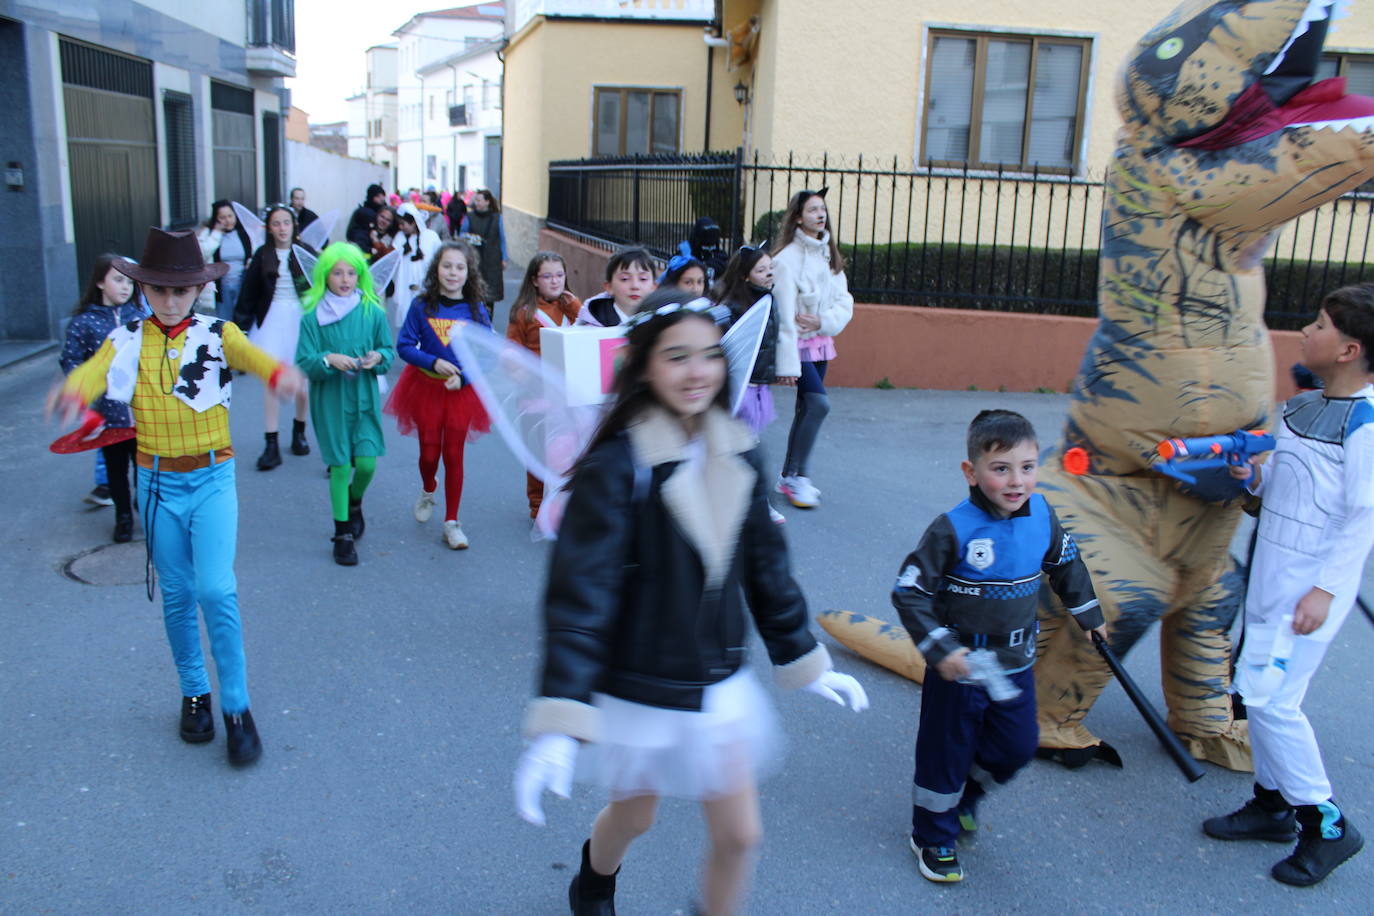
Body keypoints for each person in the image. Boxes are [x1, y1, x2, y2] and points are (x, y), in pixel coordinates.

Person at [513, 286, 868, 916]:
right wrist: (562, 717)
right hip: (641, 683)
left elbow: (766, 568)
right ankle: (594, 881)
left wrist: (805, 658)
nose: (696, 371)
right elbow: (579, 598)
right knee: (636, 813)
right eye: (676, 356)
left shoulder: (738, 446)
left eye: (708, 355)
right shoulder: (619, 465)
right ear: (646, 364)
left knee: (741, 834)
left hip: (717, 682)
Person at [51, 227, 306, 766]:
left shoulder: (219, 333)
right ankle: (195, 694)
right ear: (144, 289)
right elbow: (92, 374)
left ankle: (236, 707)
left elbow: (257, 358)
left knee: (215, 589)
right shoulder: (125, 340)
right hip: (156, 483)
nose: (170, 301)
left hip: (212, 479)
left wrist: (282, 374)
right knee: (176, 593)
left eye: (181, 291)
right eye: (160, 290)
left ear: (197, 291)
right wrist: (70, 392)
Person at [1201, 285, 1374, 887]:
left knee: (1273, 702)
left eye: (1320, 325)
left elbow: (1363, 515)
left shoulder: (1367, 423)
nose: (1306, 330)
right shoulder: (1302, 408)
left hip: (1307, 597)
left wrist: (1325, 590)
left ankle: (1326, 823)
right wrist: (1252, 481)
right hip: (1273, 585)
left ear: (1350, 349)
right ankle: (1273, 805)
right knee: (1257, 693)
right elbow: (1284, 485)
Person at [892, 409, 1105, 883]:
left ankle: (967, 798)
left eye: (1027, 467)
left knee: (1017, 745)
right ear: (972, 472)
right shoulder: (953, 528)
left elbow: (1067, 565)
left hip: (1013, 664)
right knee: (944, 753)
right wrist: (940, 649)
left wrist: (1089, 616)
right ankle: (932, 836)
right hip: (961, 667)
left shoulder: (1042, 515)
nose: (1016, 481)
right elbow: (909, 591)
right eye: (1001, 468)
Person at [385, 241, 493, 550]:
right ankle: (428, 488)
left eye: (460, 267)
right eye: (447, 266)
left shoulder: (475, 309)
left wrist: (465, 378)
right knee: (429, 454)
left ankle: (452, 522)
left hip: (460, 392)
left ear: (469, 272)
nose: (453, 272)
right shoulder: (422, 306)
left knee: (454, 456)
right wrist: (432, 361)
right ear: (437, 269)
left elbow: (488, 354)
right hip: (426, 388)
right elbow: (404, 346)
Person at [294, 243, 394, 566]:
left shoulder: (372, 310)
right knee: (340, 465)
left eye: (352, 273)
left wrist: (378, 357)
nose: (345, 279)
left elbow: (388, 351)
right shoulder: (312, 316)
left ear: (360, 276)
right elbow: (304, 360)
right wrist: (327, 358)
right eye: (337, 273)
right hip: (331, 400)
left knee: (366, 464)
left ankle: (355, 501)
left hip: (364, 398)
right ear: (325, 275)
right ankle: (342, 534)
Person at [770, 188, 853, 510]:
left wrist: (822, 320)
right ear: (797, 217)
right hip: (797, 348)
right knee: (819, 405)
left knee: (806, 408)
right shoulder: (785, 260)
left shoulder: (827, 253)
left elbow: (844, 301)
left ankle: (790, 476)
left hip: (819, 343)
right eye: (813, 209)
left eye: (823, 209)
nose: (821, 214)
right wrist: (787, 365)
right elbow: (784, 318)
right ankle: (798, 477)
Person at [58, 253, 147, 540]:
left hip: (146, 412)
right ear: (100, 282)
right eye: (118, 280)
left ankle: (141, 505)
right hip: (110, 415)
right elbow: (71, 362)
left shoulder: (142, 318)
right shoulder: (83, 323)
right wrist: (85, 398)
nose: (125, 287)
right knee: (116, 468)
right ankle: (123, 516)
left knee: (144, 467)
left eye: (130, 282)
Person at [505, 251, 583, 519]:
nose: (554, 281)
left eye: (559, 275)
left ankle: (567, 501)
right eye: (547, 276)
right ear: (535, 280)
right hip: (536, 393)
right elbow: (512, 351)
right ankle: (538, 506)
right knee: (537, 448)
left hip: (569, 393)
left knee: (571, 448)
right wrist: (522, 374)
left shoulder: (572, 308)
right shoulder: (524, 313)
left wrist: (574, 306)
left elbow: (590, 327)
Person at [236, 204, 314, 469]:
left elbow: (323, 287)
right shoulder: (261, 255)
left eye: (286, 223)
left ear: (294, 226)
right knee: (273, 380)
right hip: (271, 322)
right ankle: (271, 443)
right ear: (269, 228)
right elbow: (248, 293)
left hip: (301, 322)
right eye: (276, 223)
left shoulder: (306, 254)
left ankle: (299, 432)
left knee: (303, 382)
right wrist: (240, 329)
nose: (282, 228)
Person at [713, 245, 787, 524]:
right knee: (744, 447)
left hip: (758, 387)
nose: (768, 273)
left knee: (743, 446)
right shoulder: (734, 306)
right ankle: (757, 504)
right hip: (740, 387)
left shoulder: (769, 298)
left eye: (770, 267)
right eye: (760, 269)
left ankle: (744, 501)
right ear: (745, 276)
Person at [195, 200, 251, 321]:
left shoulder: (244, 233)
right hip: (221, 286)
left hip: (242, 283)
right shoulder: (208, 233)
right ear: (216, 218)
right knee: (224, 321)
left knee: (242, 321)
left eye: (230, 216)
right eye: (223, 217)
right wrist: (217, 232)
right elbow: (202, 254)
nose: (227, 220)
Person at [573, 247, 656, 328]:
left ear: (653, 287)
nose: (635, 286)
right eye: (625, 279)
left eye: (643, 279)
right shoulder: (590, 327)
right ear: (609, 287)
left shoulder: (663, 323)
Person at [389, 206, 441, 331]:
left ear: (413, 222)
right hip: (405, 289)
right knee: (408, 324)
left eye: (403, 224)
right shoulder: (399, 238)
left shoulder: (431, 237)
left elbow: (439, 259)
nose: (401, 227)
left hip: (426, 288)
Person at [458, 189, 507, 312]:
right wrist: (470, 238)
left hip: (492, 260)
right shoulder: (469, 217)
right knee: (473, 290)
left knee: (490, 293)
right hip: (474, 259)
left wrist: (504, 258)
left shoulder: (497, 218)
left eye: (479, 200)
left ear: (487, 202)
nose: (476, 203)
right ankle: (474, 318)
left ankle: (488, 320)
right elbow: (462, 234)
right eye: (476, 200)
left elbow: (502, 238)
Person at [346, 183, 387, 252]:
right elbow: (359, 235)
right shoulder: (365, 213)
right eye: (378, 196)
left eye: (383, 196)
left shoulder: (380, 210)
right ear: (372, 197)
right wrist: (370, 249)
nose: (381, 199)